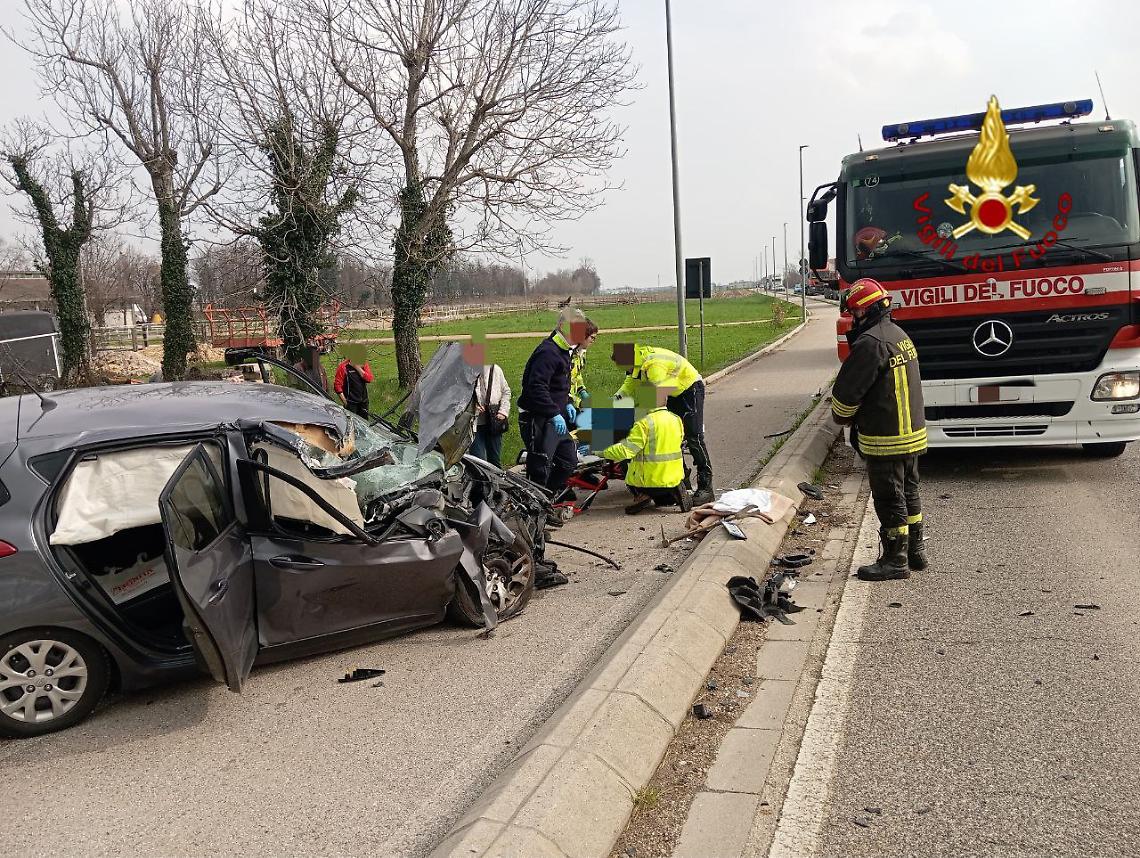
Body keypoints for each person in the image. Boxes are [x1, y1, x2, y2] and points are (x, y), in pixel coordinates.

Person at [831, 278, 928, 581]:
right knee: (909, 491)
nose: (854, 319)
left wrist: (842, 417)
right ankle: (915, 551)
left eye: (855, 313)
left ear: (867, 310)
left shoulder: (870, 344)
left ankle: (895, 560)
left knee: (888, 498)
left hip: (885, 437)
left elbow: (846, 397)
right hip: (912, 434)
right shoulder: (899, 335)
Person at [612, 342, 714, 505]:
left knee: (694, 437)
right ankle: (682, 484)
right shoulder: (637, 363)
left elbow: (654, 396)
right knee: (671, 438)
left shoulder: (654, 365)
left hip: (690, 389)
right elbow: (628, 387)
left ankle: (706, 488)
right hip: (673, 392)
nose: (626, 372)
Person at [518, 310, 585, 496]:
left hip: (555, 417)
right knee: (540, 466)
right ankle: (534, 505)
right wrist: (554, 413)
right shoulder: (548, 352)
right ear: (563, 327)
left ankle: (548, 496)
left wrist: (568, 402)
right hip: (537, 418)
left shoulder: (565, 351)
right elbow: (536, 387)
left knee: (568, 462)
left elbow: (560, 384)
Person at [601, 383, 687, 515]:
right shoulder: (676, 420)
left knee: (625, 461)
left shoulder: (643, 423)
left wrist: (602, 451)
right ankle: (674, 491)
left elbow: (626, 451)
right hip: (674, 478)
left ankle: (641, 495)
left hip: (648, 483)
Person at [470, 362, 511, 468]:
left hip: (494, 422)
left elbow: (506, 392)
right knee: (478, 462)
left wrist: (503, 411)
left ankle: (496, 478)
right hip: (473, 424)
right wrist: (473, 407)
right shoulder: (464, 373)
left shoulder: (495, 369)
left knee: (494, 461)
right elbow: (457, 398)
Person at [569, 319, 599, 415]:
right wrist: (579, 403)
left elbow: (576, 375)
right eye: (592, 337)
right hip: (561, 403)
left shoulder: (581, 353)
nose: (593, 341)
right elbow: (558, 386)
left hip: (570, 401)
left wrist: (582, 390)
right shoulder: (567, 356)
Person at [333, 352, 374, 417]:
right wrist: (345, 402)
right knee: (351, 421)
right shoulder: (343, 367)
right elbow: (337, 386)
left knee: (364, 421)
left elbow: (369, 379)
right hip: (351, 403)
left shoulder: (363, 364)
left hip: (363, 402)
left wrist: (357, 368)